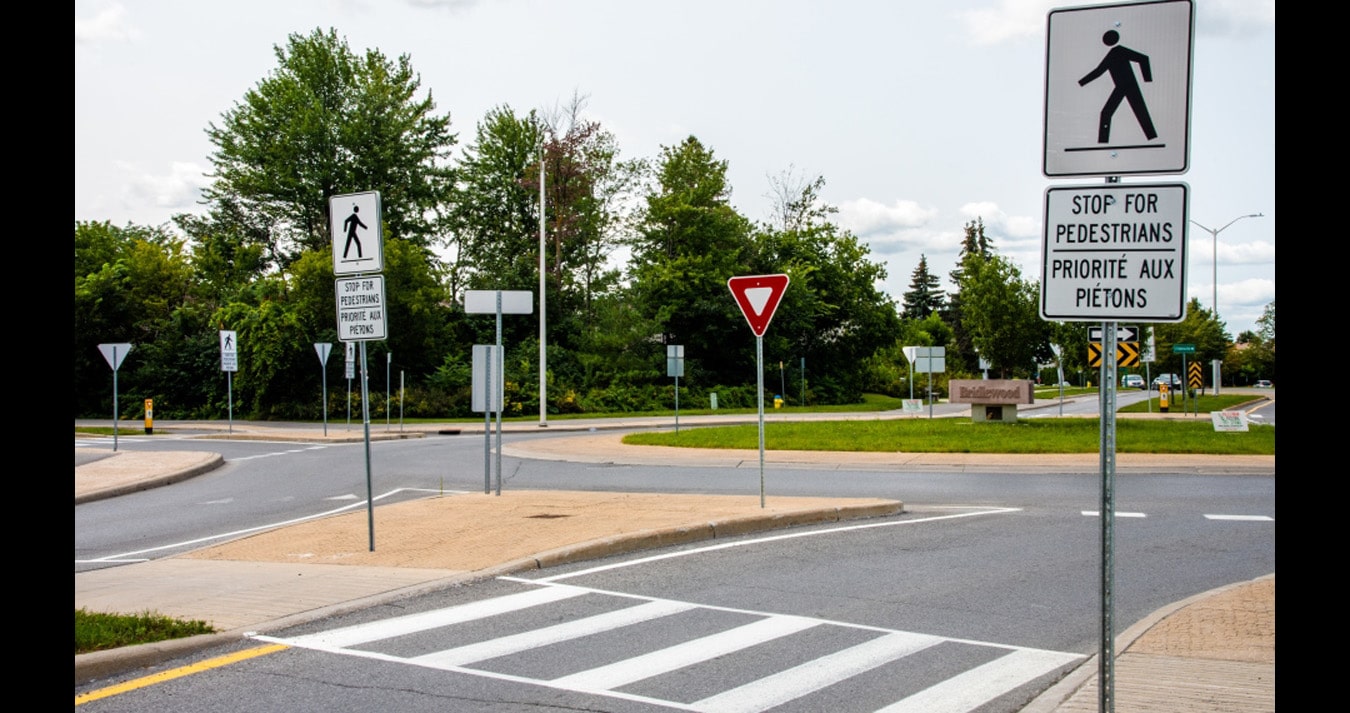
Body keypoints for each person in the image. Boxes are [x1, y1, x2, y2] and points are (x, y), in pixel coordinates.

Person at [1078, 30, 1157, 144]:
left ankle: (1152, 138)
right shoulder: (1112, 54)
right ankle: (1103, 142)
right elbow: (1099, 71)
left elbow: (1143, 59)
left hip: (1130, 86)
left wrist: (1147, 79)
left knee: (1140, 112)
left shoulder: (1119, 50)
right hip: (1121, 87)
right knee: (1107, 113)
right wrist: (1081, 83)